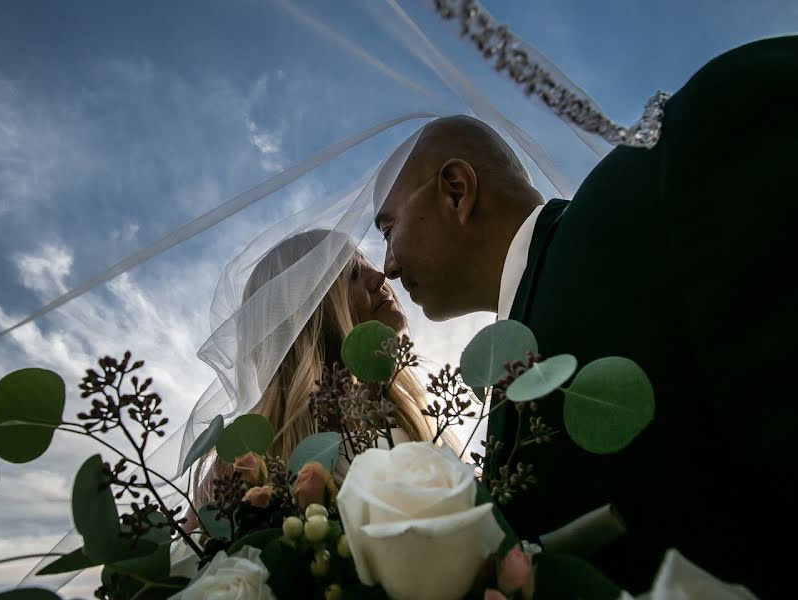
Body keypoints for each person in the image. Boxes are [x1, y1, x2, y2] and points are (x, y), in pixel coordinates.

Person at [375, 36, 798, 596]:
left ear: (456, 191)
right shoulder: (505, 397)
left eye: (388, 229)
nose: (388, 265)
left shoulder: (685, 151)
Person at [188, 229, 449, 514]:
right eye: (350, 275)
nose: (379, 278)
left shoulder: (418, 421)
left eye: (367, 267)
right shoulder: (247, 464)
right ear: (309, 313)